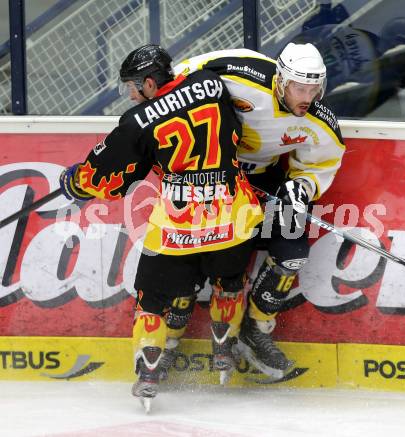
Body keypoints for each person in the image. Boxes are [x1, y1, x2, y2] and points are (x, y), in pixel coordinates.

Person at [58, 44, 263, 406]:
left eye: (134, 86)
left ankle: (150, 368)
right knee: (229, 280)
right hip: (234, 214)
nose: (132, 94)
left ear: (150, 83)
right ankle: (224, 345)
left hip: (179, 223)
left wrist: (75, 182)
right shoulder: (212, 83)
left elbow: (103, 177)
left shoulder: (137, 121)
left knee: (151, 299)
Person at [169, 42, 346, 379]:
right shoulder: (242, 72)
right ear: (280, 80)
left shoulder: (319, 120)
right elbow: (179, 78)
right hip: (208, 177)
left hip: (263, 180)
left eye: (314, 88)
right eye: (299, 87)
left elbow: (320, 164)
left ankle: (256, 329)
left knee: (292, 253)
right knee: (188, 257)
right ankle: (165, 341)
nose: (307, 96)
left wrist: (302, 187)